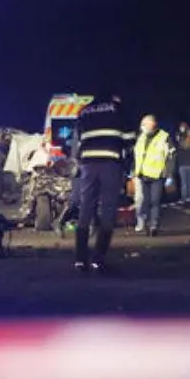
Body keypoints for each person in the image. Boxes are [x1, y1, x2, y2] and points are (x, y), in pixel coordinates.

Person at [73, 93, 131, 272]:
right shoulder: (118, 110)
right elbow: (129, 140)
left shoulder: (84, 111)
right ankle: (98, 258)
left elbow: (77, 141)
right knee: (108, 209)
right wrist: (126, 166)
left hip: (88, 164)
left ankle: (80, 259)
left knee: (86, 208)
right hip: (110, 163)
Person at [132, 115, 172, 237]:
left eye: (145, 124)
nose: (143, 127)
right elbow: (137, 155)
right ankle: (148, 222)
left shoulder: (164, 137)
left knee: (155, 201)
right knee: (146, 201)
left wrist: (169, 174)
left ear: (152, 125)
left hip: (157, 175)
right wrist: (134, 170)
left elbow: (171, 156)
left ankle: (153, 225)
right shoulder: (141, 137)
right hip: (143, 175)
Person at [175, 122, 190, 202]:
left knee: (185, 183)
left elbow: (177, 151)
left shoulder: (181, 140)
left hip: (184, 164)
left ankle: (185, 198)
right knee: (189, 183)